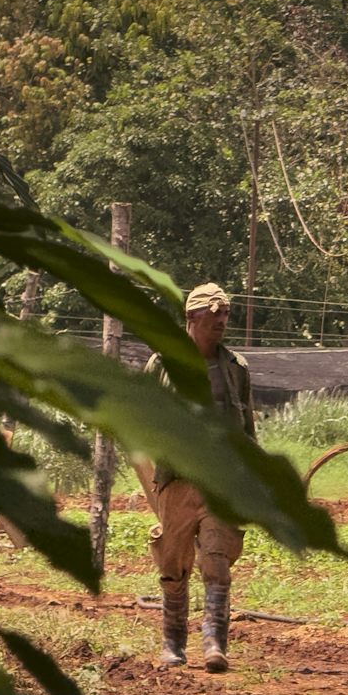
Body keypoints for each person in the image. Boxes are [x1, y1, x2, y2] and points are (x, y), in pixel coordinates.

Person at [135, 282, 255, 673]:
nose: (222, 321)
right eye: (214, 314)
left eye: (226, 314)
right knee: (173, 562)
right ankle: (173, 642)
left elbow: (247, 427)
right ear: (192, 317)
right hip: (177, 480)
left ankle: (215, 644)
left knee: (217, 561)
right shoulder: (161, 364)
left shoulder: (235, 368)